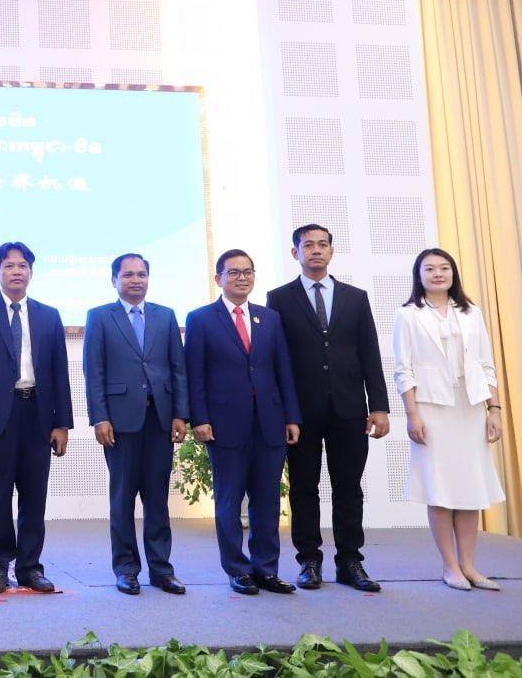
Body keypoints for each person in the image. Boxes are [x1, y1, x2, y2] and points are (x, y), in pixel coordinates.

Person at [267, 224, 388, 592]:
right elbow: (277, 360)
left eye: (323, 245)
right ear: (296, 253)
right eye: (308, 245)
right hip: (301, 412)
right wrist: (285, 411)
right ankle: (309, 561)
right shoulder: (279, 298)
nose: (316, 250)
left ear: (332, 251)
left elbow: (370, 353)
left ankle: (350, 561)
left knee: (348, 487)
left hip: (349, 407)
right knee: (304, 487)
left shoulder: (355, 298)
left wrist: (379, 406)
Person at [185, 249, 301, 596]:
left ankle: (266, 569)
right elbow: (195, 374)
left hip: (269, 422)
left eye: (247, 272)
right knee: (229, 501)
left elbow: (283, 370)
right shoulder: (201, 319)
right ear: (218, 278)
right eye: (233, 272)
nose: (242, 278)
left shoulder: (269, 318)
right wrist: (200, 419)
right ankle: (237, 570)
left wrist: (292, 416)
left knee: (267, 502)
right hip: (224, 424)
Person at [0, 241, 73, 594]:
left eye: (23, 266)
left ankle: (29, 568)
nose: (16, 271)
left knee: (34, 497)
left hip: (37, 414)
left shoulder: (49, 316)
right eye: (9, 266)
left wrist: (62, 423)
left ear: (31, 272)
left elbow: (59, 372)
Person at [392, 248, 505, 591]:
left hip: (469, 407)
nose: (438, 274)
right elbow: (403, 370)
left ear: (453, 273)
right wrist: (412, 414)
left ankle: (469, 565)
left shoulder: (471, 312)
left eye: (444, 268)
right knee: (440, 488)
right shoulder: (408, 315)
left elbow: (486, 365)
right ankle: (450, 566)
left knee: (470, 488)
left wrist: (494, 409)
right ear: (419, 275)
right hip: (431, 408)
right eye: (430, 269)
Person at [82, 253, 188, 596]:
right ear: (114, 280)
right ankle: (126, 569)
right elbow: (93, 372)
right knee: (123, 499)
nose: (135, 280)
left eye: (141, 274)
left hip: (160, 420)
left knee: (157, 498)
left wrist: (180, 413)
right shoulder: (100, 317)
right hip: (119, 422)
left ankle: (161, 570)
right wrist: (100, 417)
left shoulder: (165, 316)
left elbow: (178, 368)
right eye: (128, 275)